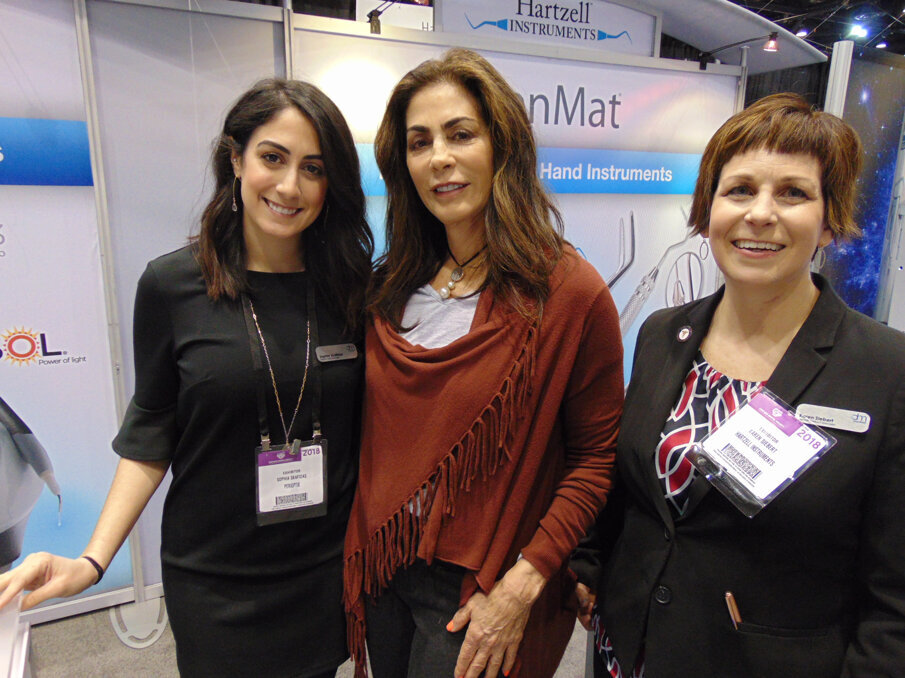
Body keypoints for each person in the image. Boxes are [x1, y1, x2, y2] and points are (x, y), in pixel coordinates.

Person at [0, 79, 373, 678]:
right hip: (215, 580)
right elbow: (150, 436)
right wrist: (92, 562)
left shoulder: (352, 290)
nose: (289, 186)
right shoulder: (172, 287)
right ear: (235, 158)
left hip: (321, 574)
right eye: (272, 158)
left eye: (313, 168)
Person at [574, 93, 905, 677]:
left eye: (794, 193)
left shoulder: (885, 371)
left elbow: (895, 602)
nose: (761, 213)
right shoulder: (663, 333)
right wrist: (591, 564)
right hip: (629, 652)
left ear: (830, 221)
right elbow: (633, 486)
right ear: (709, 210)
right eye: (740, 190)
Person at [342, 48, 623, 678]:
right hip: (387, 565)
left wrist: (527, 583)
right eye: (419, 142)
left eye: (460, 134)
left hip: (484, 579)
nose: (438, 156)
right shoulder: (390, 288)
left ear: (503, 146)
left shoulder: (570, 294)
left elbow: (595, 459)